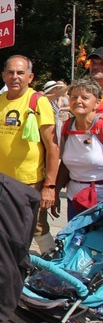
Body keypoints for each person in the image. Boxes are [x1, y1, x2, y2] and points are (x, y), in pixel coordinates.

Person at [0, 55, 59, 254]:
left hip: (28, 181)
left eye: (20, 73)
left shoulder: (38, 102)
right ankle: (14, 266)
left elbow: (53, 146)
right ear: (3, 76)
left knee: (36, 226)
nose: (15, 77)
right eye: (10, 72)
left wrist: (50, 185)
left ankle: (52, 263)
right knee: (4, 227)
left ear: (30, 77)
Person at [53, 79, 103, 220]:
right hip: (75, 200)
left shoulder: (101, 126)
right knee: (76, 241)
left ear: (97, 103)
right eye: (74, 97)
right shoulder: (68, 126)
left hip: (100, 202)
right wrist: (55, 192)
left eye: (85, 97)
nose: (78, 101)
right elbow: (65, 165)